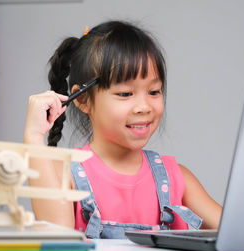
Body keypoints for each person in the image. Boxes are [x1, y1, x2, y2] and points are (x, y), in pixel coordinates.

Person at [24, 20, 222, 239]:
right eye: (125, 94)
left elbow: (237, 235)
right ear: (82, 99)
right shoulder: (64, 175)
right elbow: (56, 244)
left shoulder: (178, 178)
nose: (144, 107)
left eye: (154, 92)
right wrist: (34, 136)